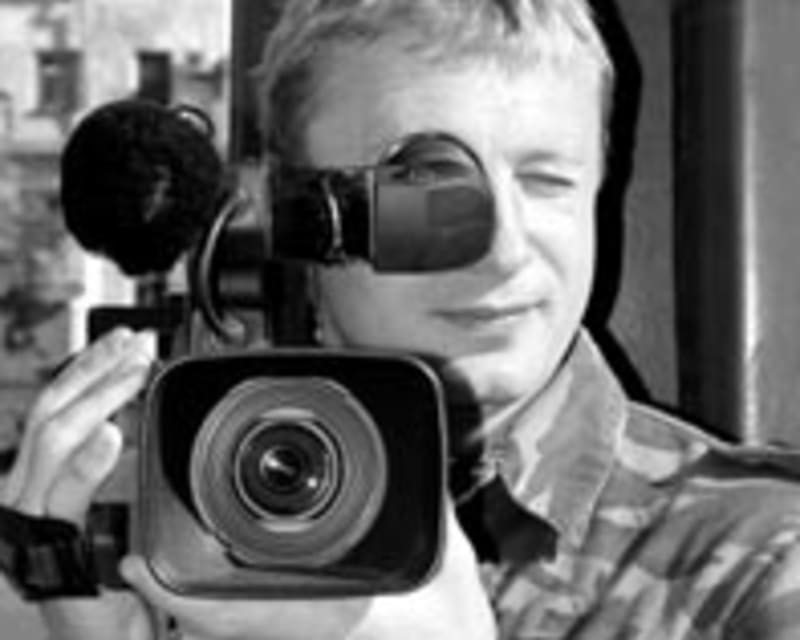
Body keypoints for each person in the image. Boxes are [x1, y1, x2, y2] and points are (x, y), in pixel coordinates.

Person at [4, 0, 800, 638]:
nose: (503, 251)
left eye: (548, 181)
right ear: (294, 220)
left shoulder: (761, 563)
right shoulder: (170, 524)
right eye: (424, 189)